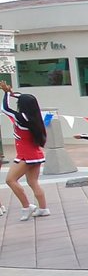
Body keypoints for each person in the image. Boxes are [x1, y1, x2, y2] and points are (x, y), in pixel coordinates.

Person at [1, 83, 50, 221]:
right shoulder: (35, 116)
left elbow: (4, 108)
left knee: (10, 180)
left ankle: (26, 206)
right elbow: (26, 99)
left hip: (26, 155)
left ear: (22, 105)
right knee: (33, 182)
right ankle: (43, 208)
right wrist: (11, 93)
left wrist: (6, 94)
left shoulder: (21, 117)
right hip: (35, 154)